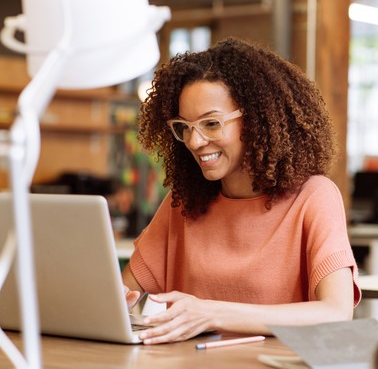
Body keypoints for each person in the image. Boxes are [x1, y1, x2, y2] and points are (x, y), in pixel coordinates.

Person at [122, 37, 361, 345]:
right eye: (185, 127)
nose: (195, 142)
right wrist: (112, 302)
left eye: (211, 124)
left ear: (256, 118)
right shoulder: (182, 203)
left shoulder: (313, 197)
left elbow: (336, 312)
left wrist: (211, 313)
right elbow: (122, 292)